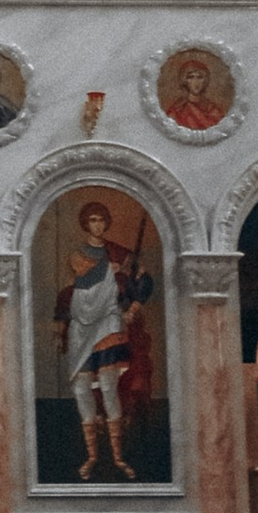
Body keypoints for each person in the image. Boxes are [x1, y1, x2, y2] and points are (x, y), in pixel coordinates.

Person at [58, 200, 147, 481]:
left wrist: (134, 305)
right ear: (86, 223)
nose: (97, 224)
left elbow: (145, 281)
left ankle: (119, 457)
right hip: (82, 323)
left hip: (109, 319)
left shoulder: (119, 253)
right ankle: (92, 457)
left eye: (101, 219)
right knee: (82, 387)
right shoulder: (78, 255)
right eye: (92, 220)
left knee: (109, 385)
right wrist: (115, 266)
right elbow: (86, 278)